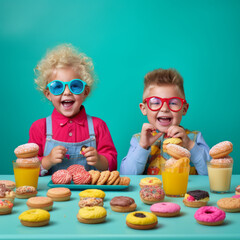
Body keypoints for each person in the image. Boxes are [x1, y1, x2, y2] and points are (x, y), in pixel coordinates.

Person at [29, 44, 117, 175]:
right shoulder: (39, 128)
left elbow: (112, 164)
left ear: (85, 92)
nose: (67, 92)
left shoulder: (98, 126)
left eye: (75, 86)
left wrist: (99, 159)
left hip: (90, 193)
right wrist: (48, 160)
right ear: (48, 94)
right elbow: (28, 166)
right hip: (51, 195)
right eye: (57, 87)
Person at [120, 68, 210, 176]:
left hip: (186, 192)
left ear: (184, 109)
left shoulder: (194, 138)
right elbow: (127, 174)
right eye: (156, 102)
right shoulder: (139, 140)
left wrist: (190, 145)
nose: (164, 108)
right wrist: (143, 146)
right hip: (150, 192)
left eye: (173, 102)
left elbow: (211, 173)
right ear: (144, 108)